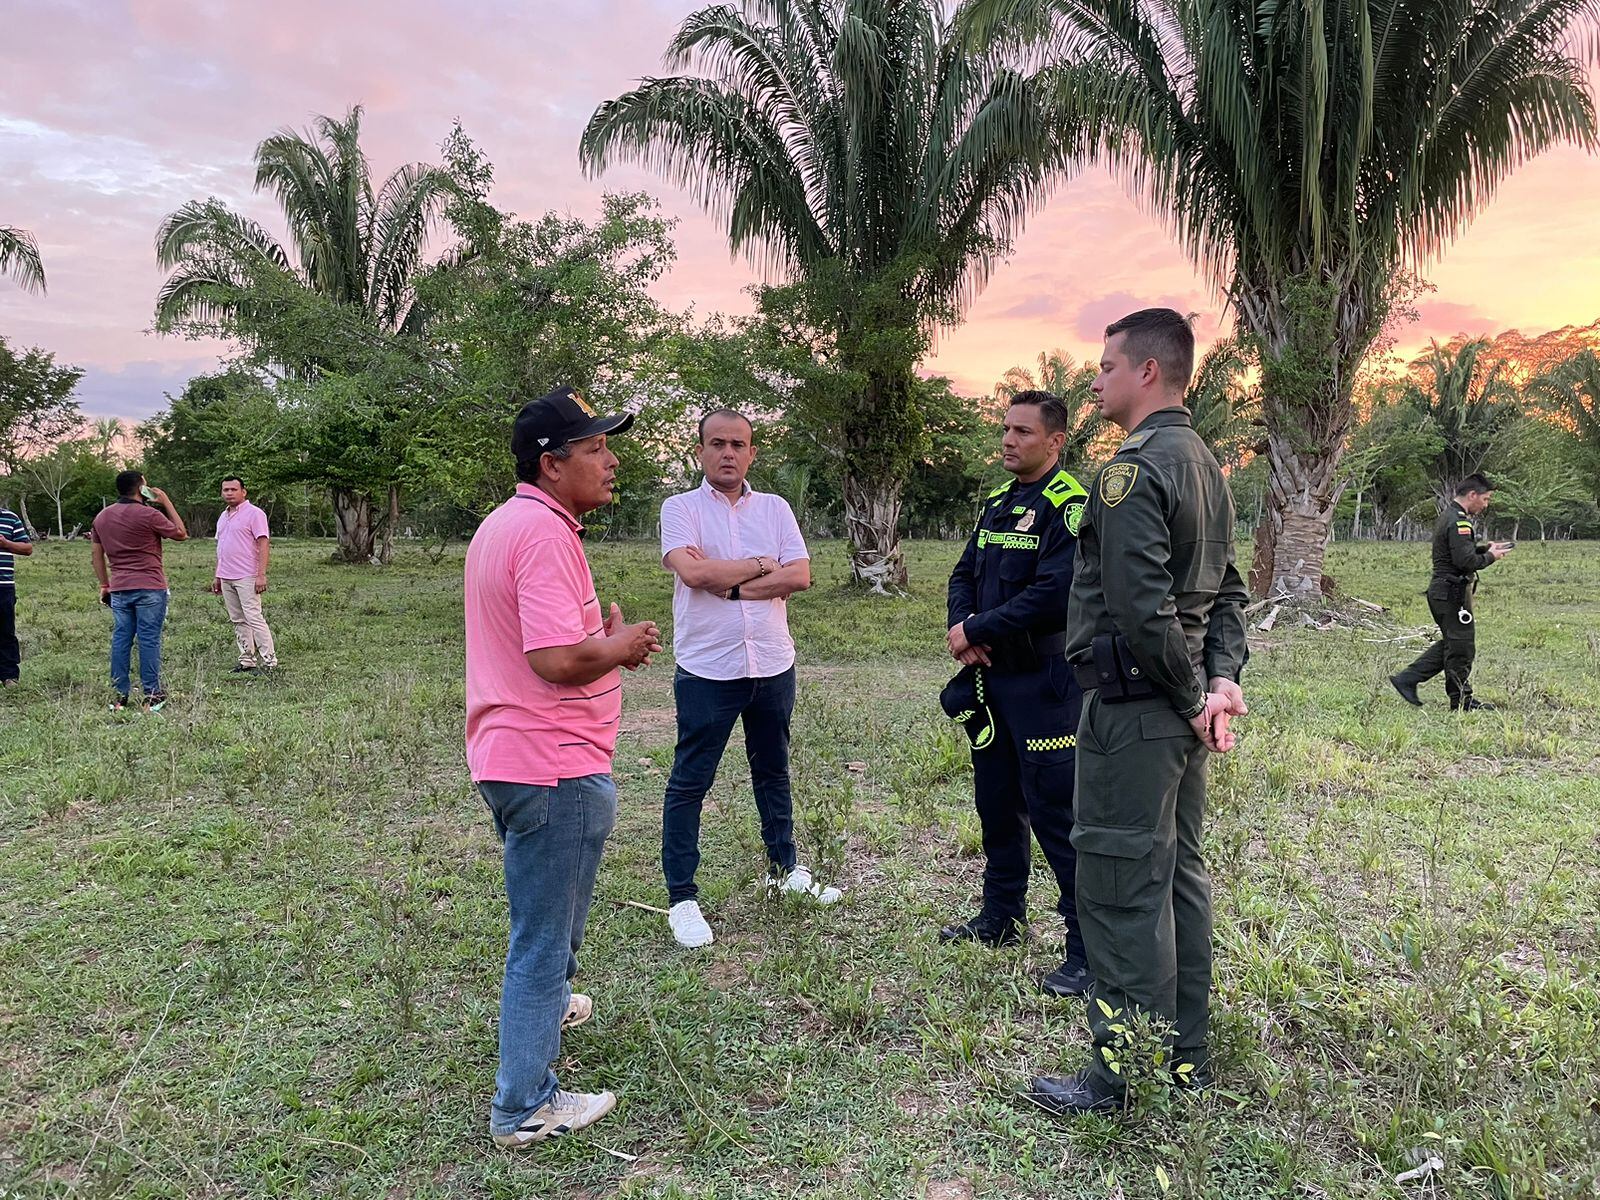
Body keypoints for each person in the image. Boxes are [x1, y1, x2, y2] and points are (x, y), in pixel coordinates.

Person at [1028, 309, 1249, 1114]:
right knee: (1178, 875)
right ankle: (1184, 1053)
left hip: (1135, 711)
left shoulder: (1132, 470)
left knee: (1121, 886)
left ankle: (1121, 1075)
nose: (1095, 380)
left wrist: (1196, 697)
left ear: (1147, 372)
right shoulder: (1205, 463)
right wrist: (1219, 683)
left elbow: (1141, 609)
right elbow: (1229, 593)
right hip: (1181, 711)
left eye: (1107, 365)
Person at [464, 385, 661, 1150]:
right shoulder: (546, 536)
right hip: (552, 765)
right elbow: (554, 660)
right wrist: (620, 645)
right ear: (552, 465)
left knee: (551, 924)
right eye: (595, 449)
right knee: (544, 939)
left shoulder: (510, 524)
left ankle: (548, 1010)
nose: (611, 461)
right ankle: (524, 1106)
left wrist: (597, 640)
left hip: (515, 755)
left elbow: (543, 640)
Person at [658, 409, 836, 950]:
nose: (728, 453)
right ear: (700, 452)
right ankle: (682, 899)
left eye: (738, 444)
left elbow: (800, 575)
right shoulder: (680, 508)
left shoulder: (777, 508)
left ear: (753, 452)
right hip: (708, 669)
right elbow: (692, 573)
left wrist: (730, 580)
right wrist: (763, 564)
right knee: (691, 781)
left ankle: (785, 871)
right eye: (717, 443)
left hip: (772, 664)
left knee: (773, 771)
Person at [940, 391, 1094, 999]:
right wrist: (963, 631)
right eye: (1005, 429)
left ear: (1056, 442)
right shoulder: (999, 503)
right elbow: (962, 575)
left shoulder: (1070, 506)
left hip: (1045, 684)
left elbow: (1057, 593)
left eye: (1023, 432)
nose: (1008, 440)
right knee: (997, 802)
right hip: (991, 679)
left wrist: (977, 629)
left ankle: (1085, 949)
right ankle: (1001, 917)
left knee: (1057, 812)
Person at [1390, 473, 1512, 712]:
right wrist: (1490, 557)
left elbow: (1456, 553)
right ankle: (1460, 700)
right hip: (1451, 593)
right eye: (1485, 499)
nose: (1486, 505)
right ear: (1472, 495)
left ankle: (1408, 679)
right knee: (1462, 647)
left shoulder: (1451, 516)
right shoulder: (1459, 522)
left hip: (1446, 590)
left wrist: (1484, 548)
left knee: (1454, 644)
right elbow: (1465, 561)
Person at [90, 471, 189, 712]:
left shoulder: (102, 517)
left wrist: (105, 584)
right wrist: (165, 501)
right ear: (140, 488)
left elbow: (96, 556)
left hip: (120, 588)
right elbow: (181, 533)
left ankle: (119, 694)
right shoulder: (149, 514)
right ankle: (152, 693)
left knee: (121, 638)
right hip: (149, 586)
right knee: (148, 640)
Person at [210, 475, 279, 673]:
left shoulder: (254, 514)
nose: (229, 493)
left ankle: (269, 662)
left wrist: (261, 574)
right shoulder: (223, 516)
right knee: (238, 619)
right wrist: (218, 575)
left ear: (243, 492)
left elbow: (263, 543)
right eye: (226, 490)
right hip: (227, 575)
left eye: (233, 489)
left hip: (247, 575)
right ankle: (247, 660)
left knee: (254, 617)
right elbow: (221, 548)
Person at [0, 503, 33, 686]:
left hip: (3, 585)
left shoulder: (10, 517)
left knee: (6, 631)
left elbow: (27, 548)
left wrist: (6, 544)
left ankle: (9, 675)